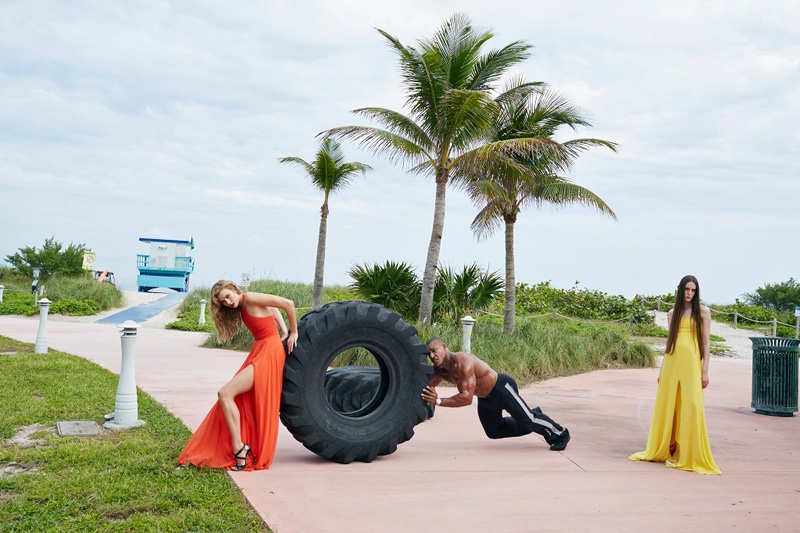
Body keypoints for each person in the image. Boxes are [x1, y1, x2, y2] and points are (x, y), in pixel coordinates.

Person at [178, 280, 298, 471]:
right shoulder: (244, 305)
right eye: (224, 302)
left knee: (225, 394)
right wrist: (282, 331)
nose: (228, 302)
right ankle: (240, 448)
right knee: (230, 397)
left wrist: (292, 332)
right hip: (261, 349)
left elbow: (287, 304)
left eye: (228, 296)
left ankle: (239, 448)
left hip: (268, 353)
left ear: (234, 289)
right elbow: (272, 308)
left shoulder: (249, 298)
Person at [629, 274, 721, 475]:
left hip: (691, 363)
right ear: (680, 289)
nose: (689, 293)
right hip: (672, 361)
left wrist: (705, 371)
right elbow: (669, 342)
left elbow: (706, 343)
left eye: (693, 290)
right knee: (669, 404)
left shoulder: (703, 312)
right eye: (687, 289)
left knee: (693, 405)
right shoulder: (673, 313)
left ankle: (689, 451)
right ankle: (668, 446)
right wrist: (662, 369)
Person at [420, 338, 570, 451]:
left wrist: (438, 401)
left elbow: (466, 398)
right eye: (430, 353)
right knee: (494, 431)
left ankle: (560, 432)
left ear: (444, 347)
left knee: (529, 421)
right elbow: (427, 387)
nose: (432, 356)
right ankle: (532, 415)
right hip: (486, 398)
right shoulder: (439, 370)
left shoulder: (463, 362)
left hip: (502, 388)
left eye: (435, 350)